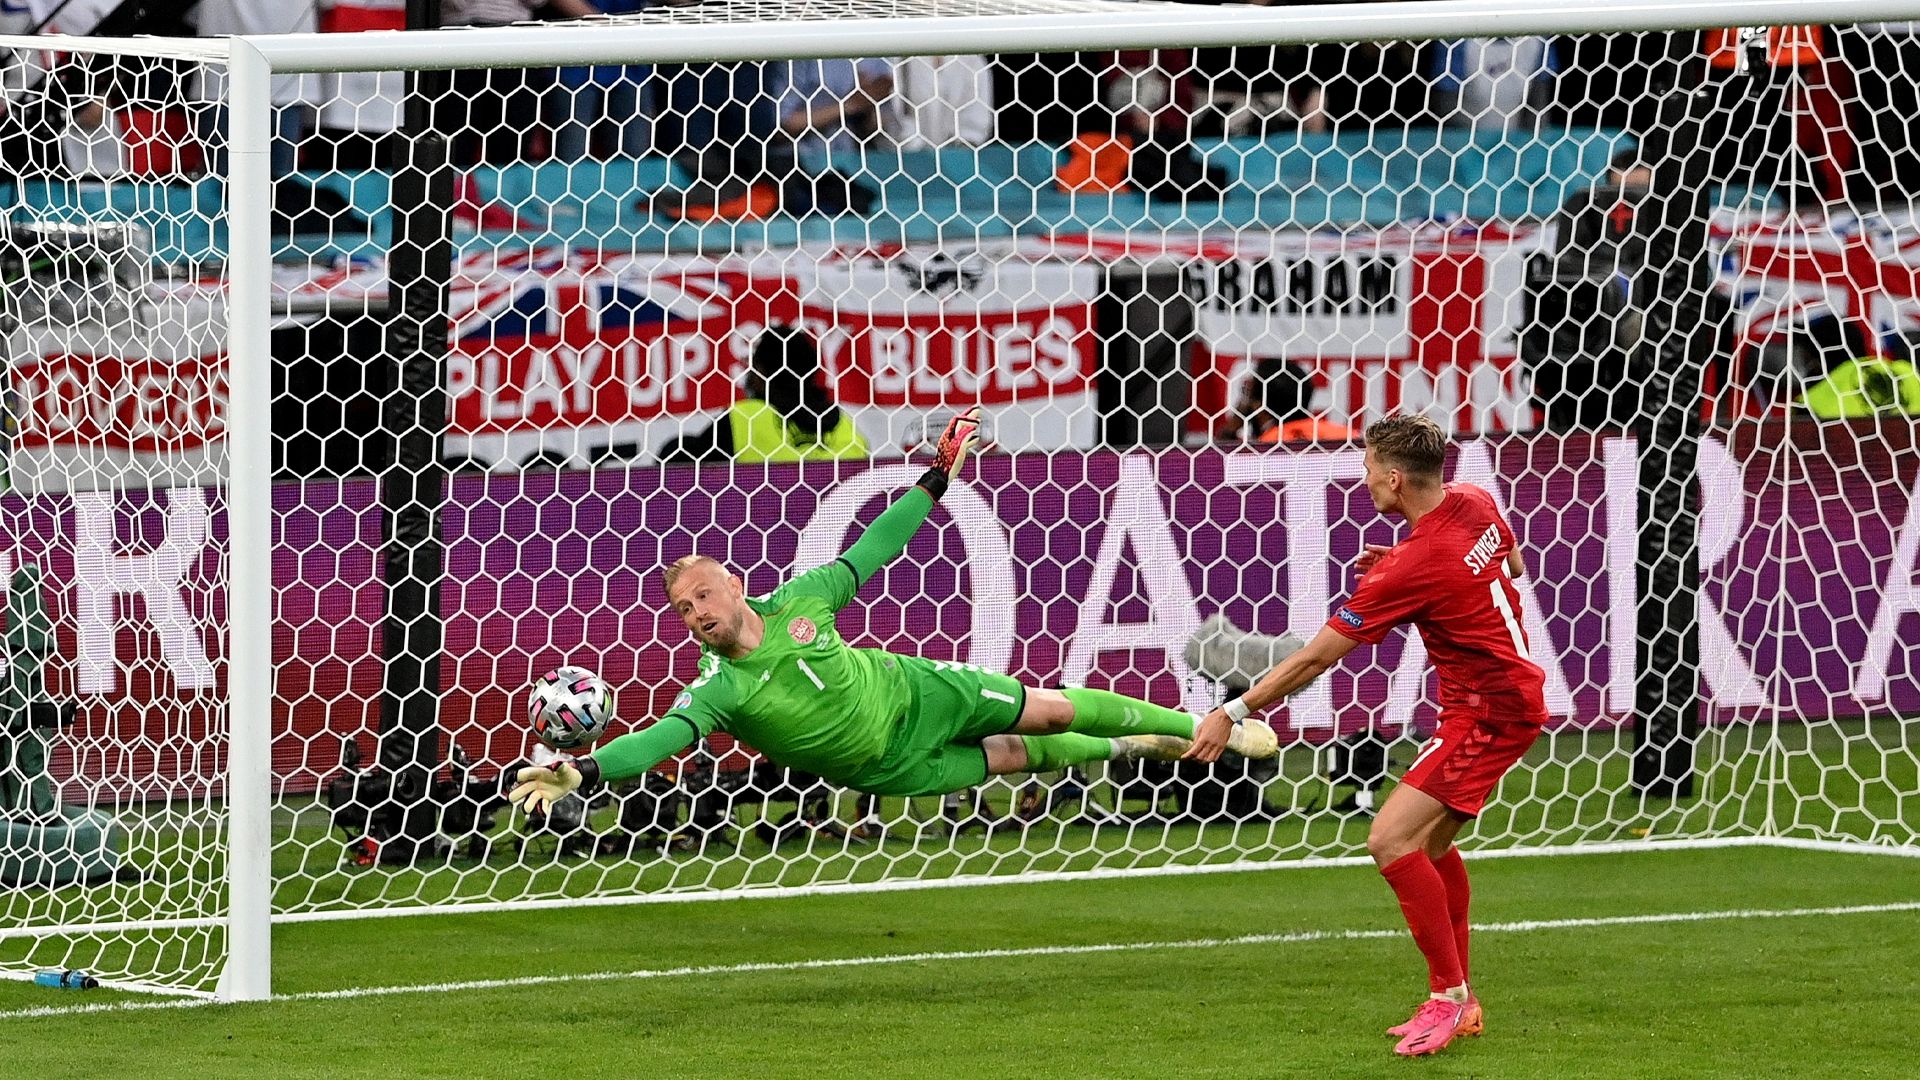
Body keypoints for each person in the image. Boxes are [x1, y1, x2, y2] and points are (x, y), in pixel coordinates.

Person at [513, 408, 1278, 814]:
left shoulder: (803, 602)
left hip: (914, 690)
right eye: (683, 610)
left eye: (703, 594)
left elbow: (875, 546)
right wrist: (583, 768)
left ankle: (1207, 726)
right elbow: (655, 743)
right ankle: (1134, 746)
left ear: (736, 585)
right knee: (1014, 759)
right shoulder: (717, 690)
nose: (695, 613)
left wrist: (936, 476)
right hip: (889, 767)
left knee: (1043, 713)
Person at [1185, 413, 1547, 1058]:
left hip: (1489, 711)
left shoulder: (1412, 565)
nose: (1364, 480)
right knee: (1429, 846)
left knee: (1389, 839)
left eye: (1367, 468)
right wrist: (1422, 566)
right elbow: (1511, 564)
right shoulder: (1473, 500)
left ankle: (1448, 996)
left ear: (1395, 477)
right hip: (1498, 698)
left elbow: (1315, 658)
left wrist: (1232, 711)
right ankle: (1462, 999)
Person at [653, 324, 870, 464]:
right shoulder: (847, 428)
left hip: (758, 533)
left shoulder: (746, 419)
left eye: (754, 365)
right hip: (833, 534)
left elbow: (676, 465)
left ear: (761, 372)